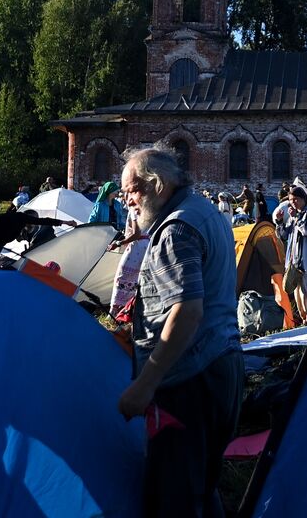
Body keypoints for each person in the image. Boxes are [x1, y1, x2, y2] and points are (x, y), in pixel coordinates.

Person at [116, 147, 241, 518]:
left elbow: (186, 312)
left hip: (190, 380)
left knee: (174, 498)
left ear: (156, 185)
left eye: (131, 191)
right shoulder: (206, 212)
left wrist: (144, 384)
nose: (127, 202)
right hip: (223, 364)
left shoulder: (176, 230)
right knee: (200, 487)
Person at [284, 186, 307, 325]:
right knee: (298, 290)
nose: (293, 202)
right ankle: (304, 316)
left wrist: (296, 218)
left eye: (295, 199)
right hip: (294, 258)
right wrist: (280, 221)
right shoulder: (294, 214)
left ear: (303, 199)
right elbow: (283, 234)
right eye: (290, 200)